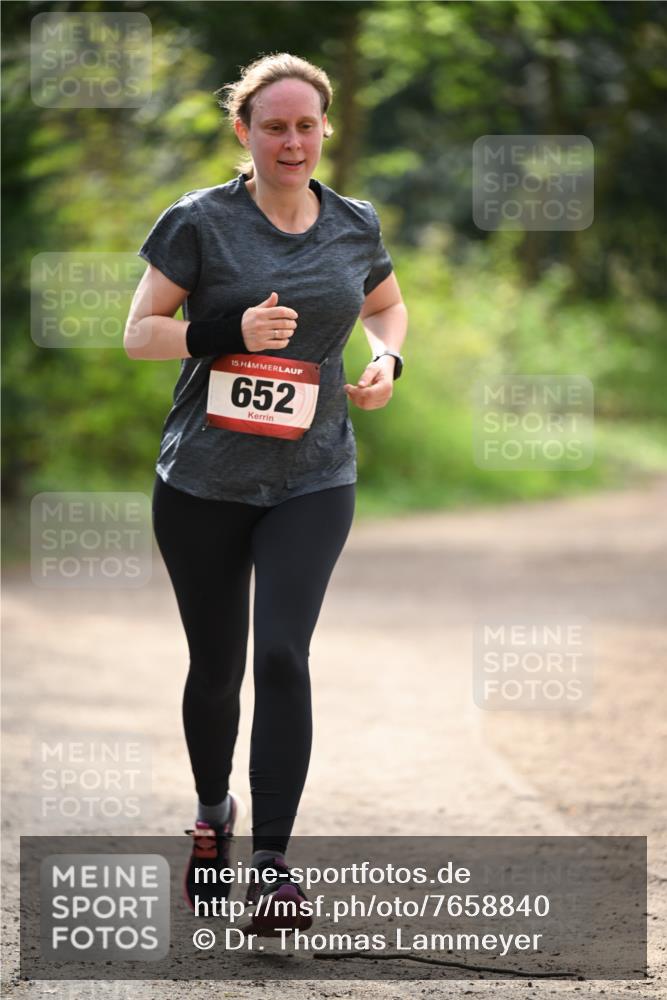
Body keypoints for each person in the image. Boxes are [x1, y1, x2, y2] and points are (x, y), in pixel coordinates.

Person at [124, 52, 407, 934]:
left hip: (313, 475)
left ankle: (274, 868)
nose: (292, 141)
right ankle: (213, 815)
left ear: (325, 130)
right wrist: (229, 329)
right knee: (218, 671)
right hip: (202, 481)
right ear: (243, 131)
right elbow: (140, 334)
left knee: (282, 653)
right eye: (274, 126)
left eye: (306, 126)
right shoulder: (199, 221)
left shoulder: (353, 224)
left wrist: (387, 359)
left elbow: (385, 307)